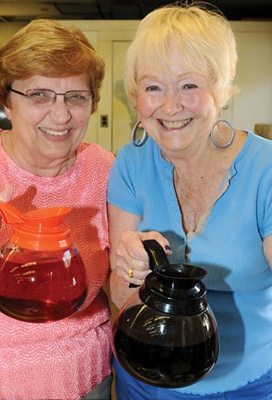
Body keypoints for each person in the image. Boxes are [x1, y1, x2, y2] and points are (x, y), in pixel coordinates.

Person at [107, 2, 272, 399]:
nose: (170, 106)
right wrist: (129, 270)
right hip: (143, 374)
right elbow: (118, 291)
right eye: (153, 87)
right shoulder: (130, 162)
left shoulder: (266, 169)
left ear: (222, 88)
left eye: (189, 85)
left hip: (248, 383)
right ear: (135, 97)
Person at [0, 18, 115, 400]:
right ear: (7, 101)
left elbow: (124, 281)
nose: (60, 117)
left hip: (84, 380)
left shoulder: (105, 170)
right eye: (39, 95)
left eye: (76, 97)